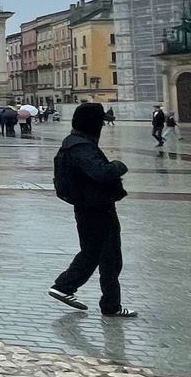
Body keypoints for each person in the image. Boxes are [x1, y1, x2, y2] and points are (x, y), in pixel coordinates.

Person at [48, 102, 136, 318]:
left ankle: (104, 302)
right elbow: (100, 172)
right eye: (100, 122)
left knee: (100, 255)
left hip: (89, 205)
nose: (103, 126)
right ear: (92, 123)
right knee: (107, 256)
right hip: (96, 207)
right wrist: (119, 165)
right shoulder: (82, 147)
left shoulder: (74, 143)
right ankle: (69, 288)